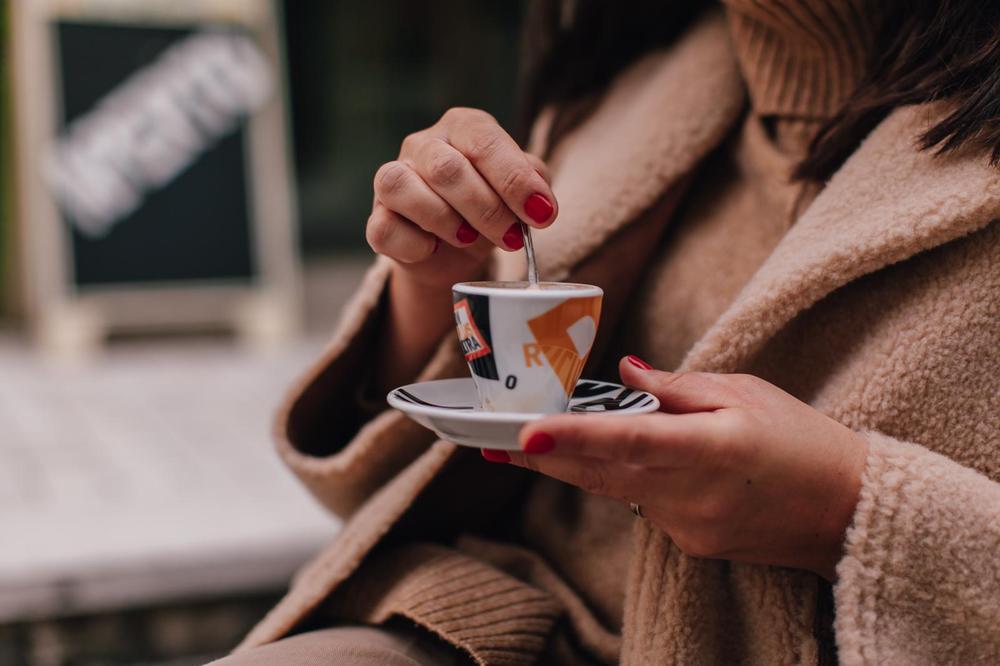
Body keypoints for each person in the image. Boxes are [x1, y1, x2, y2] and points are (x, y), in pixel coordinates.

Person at [215, 0, 1000, 663]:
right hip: (489, 625)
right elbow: (370, 491)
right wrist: (435, 281)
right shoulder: (622, 80)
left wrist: (851, 512)